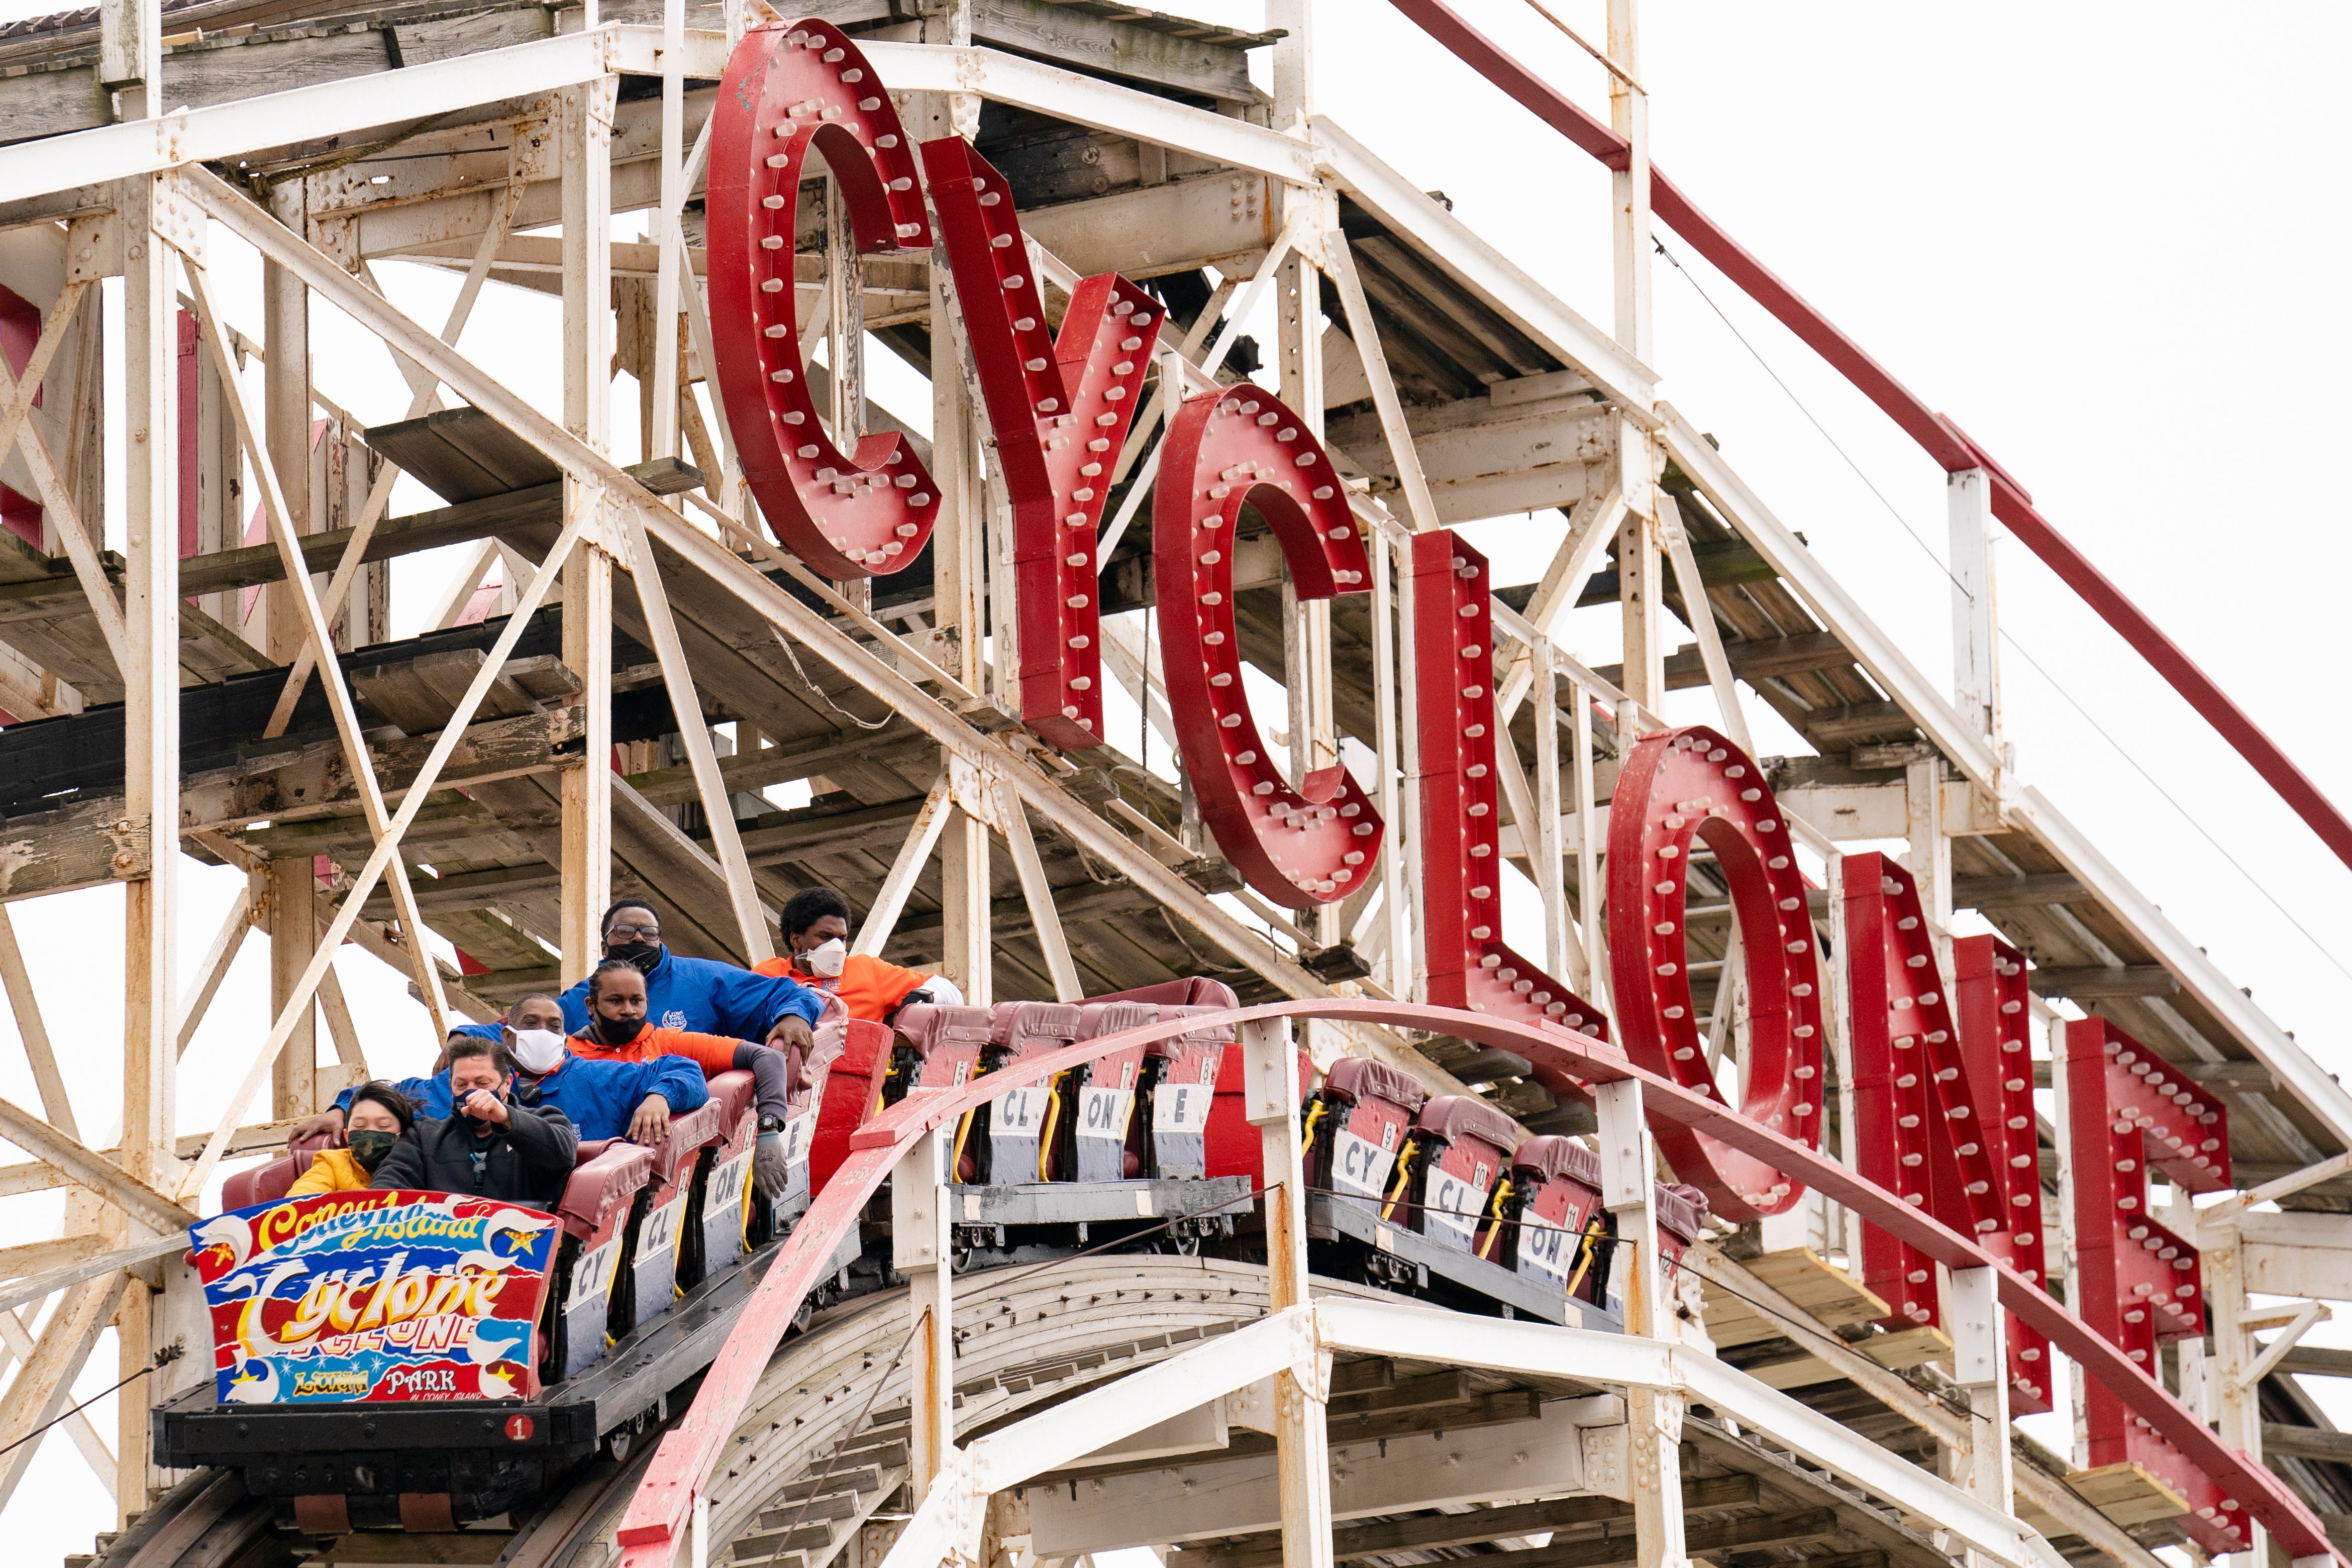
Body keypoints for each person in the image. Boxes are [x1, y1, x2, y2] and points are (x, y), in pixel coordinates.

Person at [289, 994, 707, 1146]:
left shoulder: (598, 1076)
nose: (544, 1033)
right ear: (507, 1037)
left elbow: (684, 1071)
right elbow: (385, 1092)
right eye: (531, 1025)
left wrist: (659, 1096)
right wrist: (341, 1109)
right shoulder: (444, 1090)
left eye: (555, 1026)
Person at [570, 958, 795, 1198]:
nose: (628, 1010)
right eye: (615, 1001)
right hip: (579, 1174)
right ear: (591, 1006)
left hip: (650, 1189)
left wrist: (769, 1131)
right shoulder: (567, 1054)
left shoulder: (671, 1043)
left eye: (637, 1001)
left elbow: (767, 1057)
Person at [555, 899, 824, 1056]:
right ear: (605, 946)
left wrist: (795, 1016)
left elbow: (791, 993)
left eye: (649, 932)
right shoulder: (575, 1001)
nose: (638, 937)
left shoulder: (706, 979)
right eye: (625, 930)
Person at [369, 1036, 579, 1209]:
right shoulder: (424, 1136)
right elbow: (388, 1186)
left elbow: (563, 1155)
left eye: (482, 1083)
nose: (472, 1093)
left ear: (507, 1083)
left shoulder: (545, 1117)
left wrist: (505, 1117)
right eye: (461, 1085)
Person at [753, 887, 959, 1024]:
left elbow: (951, 993)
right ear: (797, 940)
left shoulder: (867, 971)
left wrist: (921, 998)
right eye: (825, 937)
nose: (836, 946)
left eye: (841, 938)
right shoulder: (767, 974)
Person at [286, 1082, 414, 1195]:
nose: (371, 1132)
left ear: (402, 1135)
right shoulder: (332, 1163)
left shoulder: (416, 1167)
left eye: (383, 1126)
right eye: (360, 1126)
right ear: (347, 1136)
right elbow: (301, 1198)